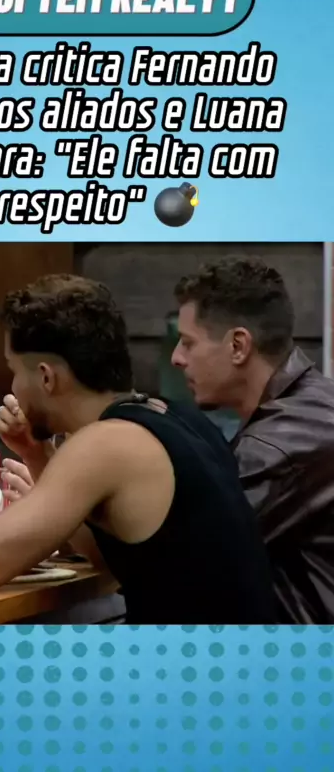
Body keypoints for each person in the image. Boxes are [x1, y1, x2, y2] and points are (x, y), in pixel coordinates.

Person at [0, 273, 277, 624]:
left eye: (14, 370)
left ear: (46, 377)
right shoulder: (174, 416)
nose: (14, 385)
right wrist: (37, 455)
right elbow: (105, 555)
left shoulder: (108, 443)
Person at [172, 255, 334, 623]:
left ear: (238, 346)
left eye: (188, 343)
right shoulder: (309, 407)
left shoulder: (281, 443)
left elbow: (180, 560)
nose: (177, 358)